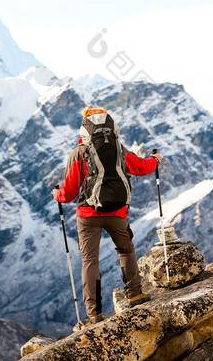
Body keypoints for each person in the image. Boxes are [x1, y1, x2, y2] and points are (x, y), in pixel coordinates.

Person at [52, 108, 161, 326]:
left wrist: (58, 194)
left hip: (87, 215)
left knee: (90, 261)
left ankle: (94, 314)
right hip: (117, 213)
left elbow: (69, 192)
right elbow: (140, 167)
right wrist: (155, 160)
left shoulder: (79, 153)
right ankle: (135, 294)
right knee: (126, 250)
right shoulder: (119, 149)